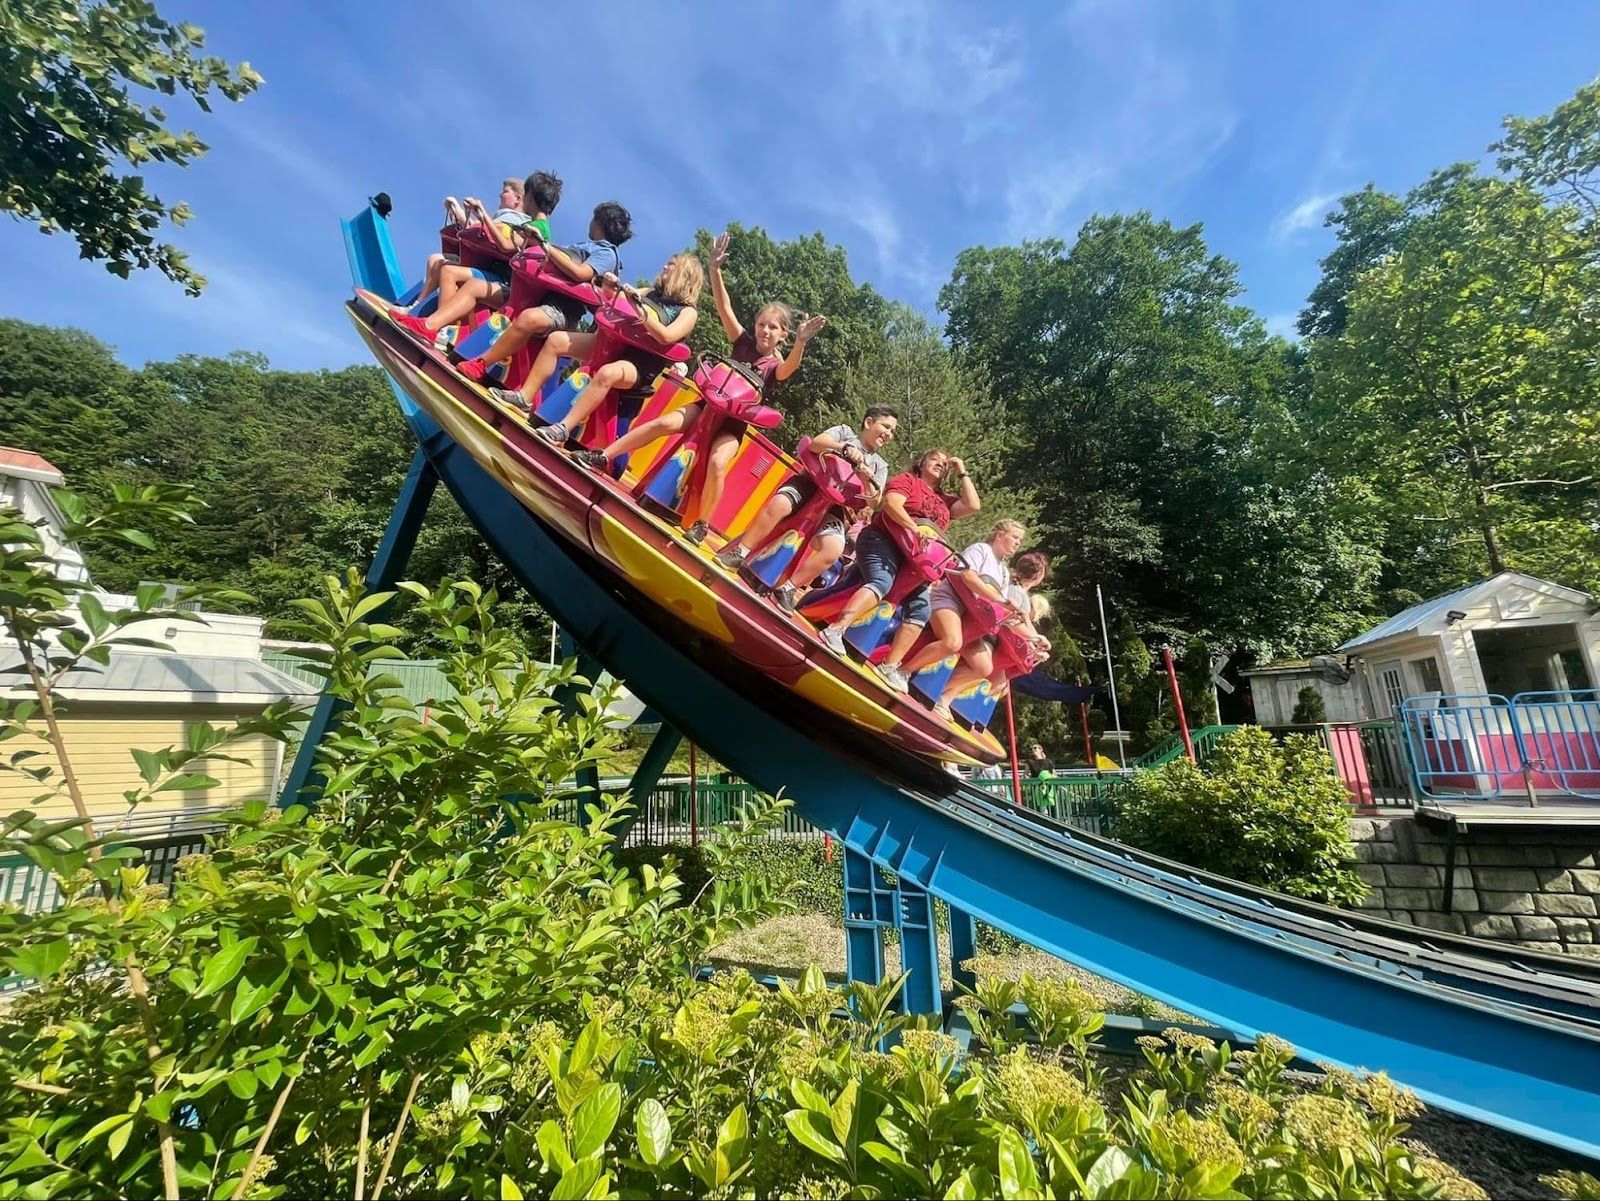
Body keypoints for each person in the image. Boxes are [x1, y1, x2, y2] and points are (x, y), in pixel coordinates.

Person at [640, 230, 823, 544]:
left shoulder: (775, 367)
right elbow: (724, 308)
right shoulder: (742, 344)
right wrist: (715, 269)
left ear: (783, 334)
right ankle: (607, 455)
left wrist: (802, 342)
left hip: (732, 425)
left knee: (717, 462)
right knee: (663, 422)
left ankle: (702, 524)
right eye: (761, 324)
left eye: (773, 327)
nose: (765, 330)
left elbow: (789, 367)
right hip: (707, 407)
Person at [816, 448, 981, 693]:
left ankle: (891, 666)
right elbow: (891, 504)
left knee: (921, 609)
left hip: (916, 558)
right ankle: (835, 630)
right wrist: (913, 528)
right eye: (935, 459)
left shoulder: (944, 501)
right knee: (883, 581)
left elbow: (973, 505)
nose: (940, 464)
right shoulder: (908, 481)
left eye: (944, 464)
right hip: (885, 540)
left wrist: (961, 470)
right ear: (922, 462)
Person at [713, 406, 900, 610]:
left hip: (834, 506)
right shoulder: (844, 432)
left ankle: (788, 588)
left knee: (833, 548)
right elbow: (817, 443)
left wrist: (866, 478)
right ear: (869, 423)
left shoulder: (879, 465)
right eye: (886, 426)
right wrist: (844, 449)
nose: (889, 434)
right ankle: (740, 552)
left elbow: (875, 500)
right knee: (780, 505)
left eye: (893, 431)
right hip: (809, 484)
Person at [453, 203, 636, 405]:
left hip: (562, 309)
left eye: (593, 219)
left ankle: (482, 365)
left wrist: (545, 246)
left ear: (601, 223)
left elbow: (581, 273)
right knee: (485, 291)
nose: (589, 223)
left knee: (529, 318)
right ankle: (456, 339)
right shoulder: (586, 246)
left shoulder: (607, 253)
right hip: (539, 294)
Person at [525, 253, 703, 449]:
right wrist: (610, 289)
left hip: (639, 364)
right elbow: (618, 302)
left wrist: (641, 313)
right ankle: (525, 398)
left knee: (607, 373)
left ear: (684, 274)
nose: (664, 266)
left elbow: (667, 337)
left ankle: (563, 429)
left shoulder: (687, 312)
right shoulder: (649, 292)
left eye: (671, 264)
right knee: (556, 340)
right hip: (612, 345)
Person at [391, 172, 564, 340]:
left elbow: (506, 246)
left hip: (510, 286)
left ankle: (438, 329)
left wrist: (482, 213)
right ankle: (435, 325)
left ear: (530, 197)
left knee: (450, 272)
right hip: (507, 282)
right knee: (453, 273)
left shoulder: (538, 228)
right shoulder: (537, 225)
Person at [895, 520, 1026, 717]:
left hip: (973, 617)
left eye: (1020, 540)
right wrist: (1001, 599)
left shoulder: (1004, 573)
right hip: (949, 599)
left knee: (984, 668)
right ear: (1000, 535)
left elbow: (999, 604)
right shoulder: (980, 549)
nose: (1018, 543)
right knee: (952, 642)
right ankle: (903, 671)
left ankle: (936, 692)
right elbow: (968, 577)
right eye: (1015, 537)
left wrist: (1012, 615)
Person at [937, 549, 1051, 719]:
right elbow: (1011, 621)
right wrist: (1034, 640)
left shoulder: (1019, 593)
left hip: (995, 635)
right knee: (987, 669)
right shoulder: (1016, 593)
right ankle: (942, 695)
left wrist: (1036, 642)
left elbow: (1025, 627)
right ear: (1039, 576)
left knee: (1000, 684)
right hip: (989, 634)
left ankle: (954, 702)